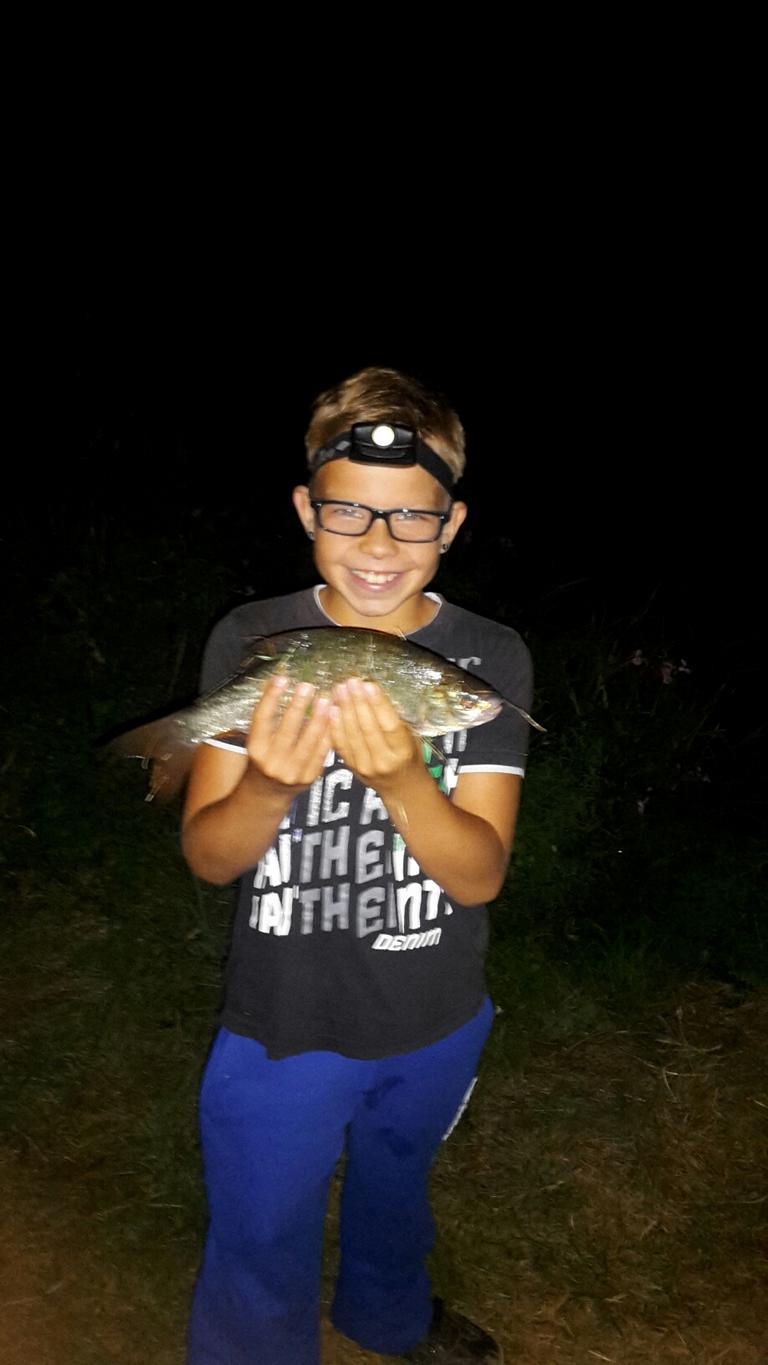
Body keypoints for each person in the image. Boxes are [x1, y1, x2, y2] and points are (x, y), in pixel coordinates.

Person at [183, 367, 534, 1365]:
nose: (379, 545)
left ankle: (386, 1315)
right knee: (259, 1229)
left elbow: (478, 875)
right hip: (281, 1024)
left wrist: (404, 779)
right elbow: (211, 858)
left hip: (436, 1016)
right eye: (349, 511)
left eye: (411, 518)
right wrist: (265, 787)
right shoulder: (252, 638)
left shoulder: (488, 659)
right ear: (307, 509)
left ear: (451, 525)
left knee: (396, 1187)